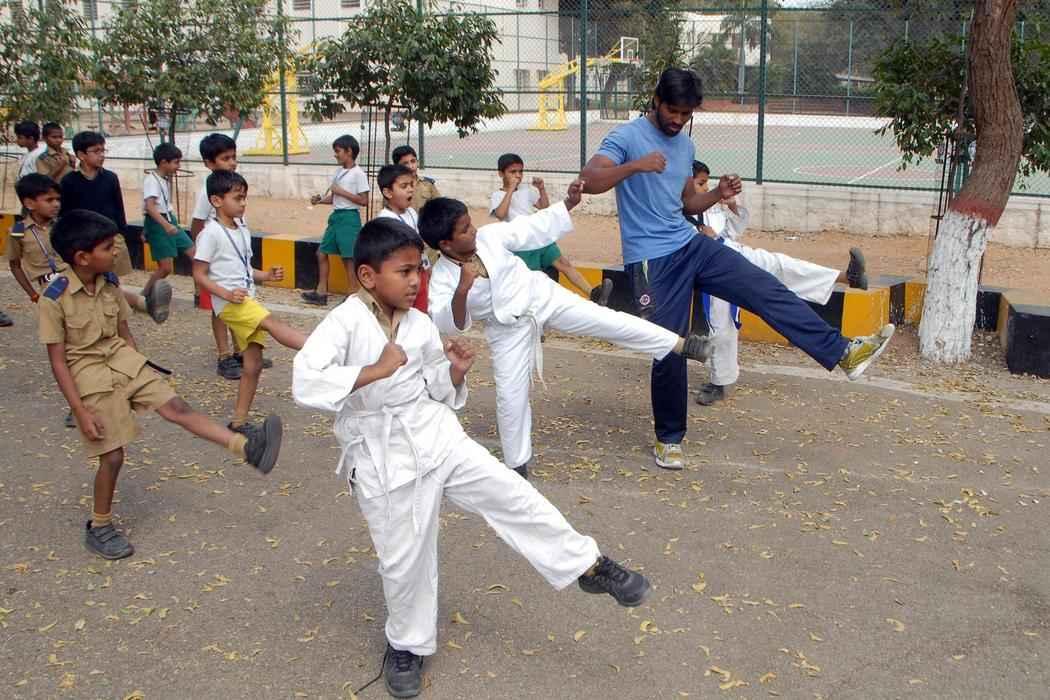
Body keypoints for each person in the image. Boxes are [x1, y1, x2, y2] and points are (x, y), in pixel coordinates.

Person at [292, 217, 652, 699]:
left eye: (418, 269)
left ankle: (588, 565)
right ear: (367, 276)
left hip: (436, 434)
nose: (415, 280)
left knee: (512, 493)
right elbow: (305, 380)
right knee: (404, 560)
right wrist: (373, 371)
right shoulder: (343, 322)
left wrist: (456, 373)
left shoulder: (419, 324)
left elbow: (435, 388)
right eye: (404, 272)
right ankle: (407, 645)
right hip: (382, 456)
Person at [580, 67, 894, 470]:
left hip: (691, 244)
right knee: (669, 346)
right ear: (657, 101)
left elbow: (686, 204)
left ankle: (842, 353)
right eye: (673, 110)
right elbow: (589, 180)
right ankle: (669, 439)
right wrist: (635, 166)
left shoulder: (685, 146)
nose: (678, 120)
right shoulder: (627, 137)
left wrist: (717, 193)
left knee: (763, 286)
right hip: (650, 259)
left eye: (686, 113)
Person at [421, 181, 713, 480]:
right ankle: (516, 468)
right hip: (508, 328)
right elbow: (449, 322)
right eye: (465, 230)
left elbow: (531, 227)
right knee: (510, 397)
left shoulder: (489, 237)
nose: (473, 230)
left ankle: (681, 345)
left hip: (542, 297)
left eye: (470, 223)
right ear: (446, 244)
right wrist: (462, 290)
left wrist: (569, 203)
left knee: (607, 320)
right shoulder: (443, 279)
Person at [39, 209, 283, 560]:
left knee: (177, 407)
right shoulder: (54, 296)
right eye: (107, 247)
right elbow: (59, 361)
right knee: (113, 456)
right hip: (89, 374)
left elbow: (124, 331)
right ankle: (99, 525)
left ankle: (247, 448)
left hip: (123, 361)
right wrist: (79, 411)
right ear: (82, 257)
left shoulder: (109, 282)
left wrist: (139, 370)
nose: (116, 251)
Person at [688, 161, 869, 405]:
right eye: (701, 184)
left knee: (783, 265)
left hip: (736, 254)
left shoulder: (710, 207)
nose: (706, 188)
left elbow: (734, 230)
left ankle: (846, 277)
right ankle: (719, 381)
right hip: (715, 270)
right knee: (722, 325)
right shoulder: (679, 213)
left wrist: (731, 205)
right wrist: (704, 238)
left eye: (706, 183)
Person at [193, 171, 308, 430]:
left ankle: (238, 422)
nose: (243, 203)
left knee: (253, 364)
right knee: (273, 322)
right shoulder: (211, 234)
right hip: (231, 304)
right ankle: (319, 347)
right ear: (216, 200)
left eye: (245, 198)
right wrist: (225, 294)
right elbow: (199, 274)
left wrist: (265, 276)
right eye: (237, 198)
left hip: (246, 298)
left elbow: (244, 269)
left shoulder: (242, 229)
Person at [60, 131, 170, 325]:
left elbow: (119, 209)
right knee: (91, 282)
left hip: (110, 238)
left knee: (111, 280)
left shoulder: (110, 178)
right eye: (96, 151)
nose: (101, 155)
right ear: (81, 154)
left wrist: (121, 234)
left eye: (103, 150)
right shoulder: (69, 182)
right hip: (84, 242)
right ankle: (138, 305)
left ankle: (120, 315)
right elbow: (67, 214)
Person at [490, 153, 612, 306]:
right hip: (522, 244)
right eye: (512, 172)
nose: (518, 176)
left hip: (539, 236)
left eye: (520, 171)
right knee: (530, 277)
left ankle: (593, 294)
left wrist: (541, 189)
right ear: (501, 174)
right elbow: (501, 214)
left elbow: (545, 209)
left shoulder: (526, 191)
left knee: (563, 264)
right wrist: (510, 190)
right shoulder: (497, 195)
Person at [189, 133, 244, 380]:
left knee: (238, 303)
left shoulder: (234, 186)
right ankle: (224, 355)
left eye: (233, 157)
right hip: (217, 259)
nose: (232, 162)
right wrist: (203, 254)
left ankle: (240, 351)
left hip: (234, 256)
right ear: (209, 163)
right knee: (219, 308)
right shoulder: (208, 192)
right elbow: (197, 223)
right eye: (225, 158)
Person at [300, 134, 370, 307]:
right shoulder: (339, 172)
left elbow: (364, 200)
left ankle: (352, 295)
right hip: (336, 217)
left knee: (348, 258)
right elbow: (335, 198)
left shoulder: (358, 174)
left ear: (349, 151)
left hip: (349, 218)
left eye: (338, 151)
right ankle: (321, 292)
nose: (335, 155)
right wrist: (320, 201)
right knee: (321, 253)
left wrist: (340, 192)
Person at [141, 142, 194, 323]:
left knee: (193, 252)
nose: (178, 166)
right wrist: (165, 225)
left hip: (169, 219)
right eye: (175, 162)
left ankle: (201, 292)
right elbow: (150, 207)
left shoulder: (163, 179)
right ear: (163, 162)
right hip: (161, 222)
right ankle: (144, 295)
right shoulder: (152, 180)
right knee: (165, 267)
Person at [374, 163, 429, 312]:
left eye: (411, 185)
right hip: (402, 275)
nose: (410, 189)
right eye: (404, 186)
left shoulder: (411, 212)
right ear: (388, 192)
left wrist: (426, 267)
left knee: (420, 310)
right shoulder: (385, 219)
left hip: (419, 270)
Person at [391, 144, 440, 211]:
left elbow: (440, 206)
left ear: (417, 162)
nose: (411, 166)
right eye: (405, 163)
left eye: (413, 161)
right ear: (397, 166)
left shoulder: (427, 184)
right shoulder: (392, 188)